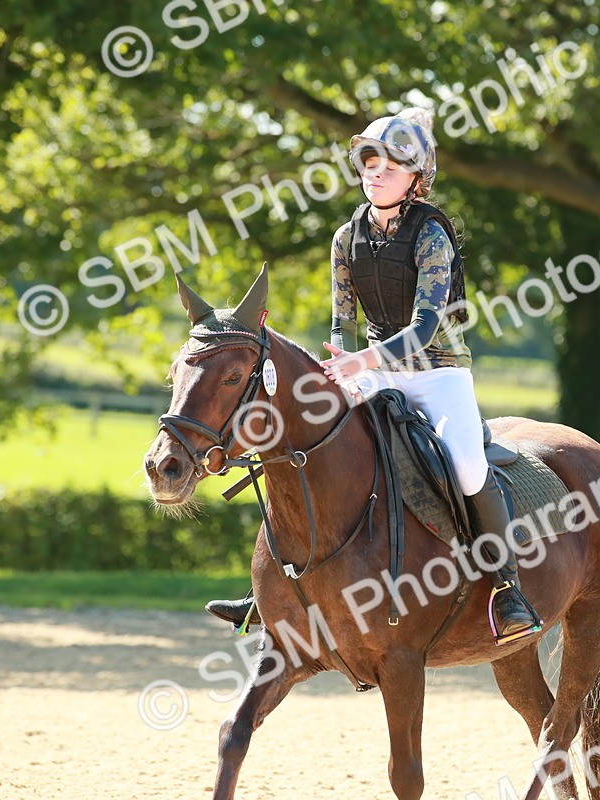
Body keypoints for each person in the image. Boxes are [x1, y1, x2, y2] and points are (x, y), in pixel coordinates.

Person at [206, 108, 541, 644]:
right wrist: (340, 358)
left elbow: (427, 326)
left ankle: (507, 588)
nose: (376, 172)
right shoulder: (346, 236)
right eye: (369, 161)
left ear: (416, 177)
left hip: (438, 374)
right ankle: (268, 592)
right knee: (306, 445)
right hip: (372, 371)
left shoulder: (433, 234)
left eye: (390, 164)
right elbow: (343, 318)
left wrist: (364, 360)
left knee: (469, 468)